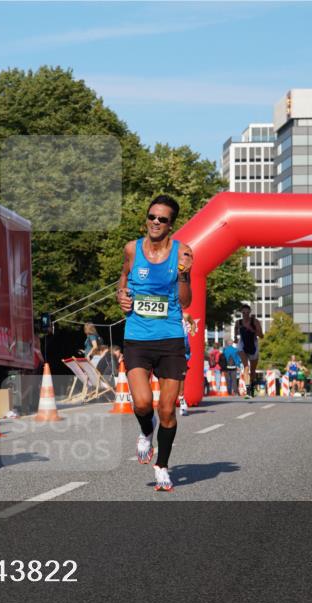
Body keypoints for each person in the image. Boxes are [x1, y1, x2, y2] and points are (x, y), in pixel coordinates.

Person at [117, 194, 193, 492]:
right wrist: (121, 296)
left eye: (162, 219)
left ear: (171, 224)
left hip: (170, 338)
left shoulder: (183, 253)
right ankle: (145, 432)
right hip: (137, 337)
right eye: (152, 217)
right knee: (143, 403)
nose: (155, 223)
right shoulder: (132, 249)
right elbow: (123, 279)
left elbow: (186, 301)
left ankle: (162, 466)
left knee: (167, 409)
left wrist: (184, 275)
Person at [235, 305, 263, 397]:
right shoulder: (238, 322)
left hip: (253, 344)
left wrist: (253, 330)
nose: (245, 314)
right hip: (242, 344)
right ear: (241, 313)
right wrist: (235, 338)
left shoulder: (255, 321)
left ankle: (253, 389)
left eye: (247, 312)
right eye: (243, 313)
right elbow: (236, 331)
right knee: (246, 367)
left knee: (253, 370)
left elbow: (261, 335)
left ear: (250, 312)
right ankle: (248, 390)